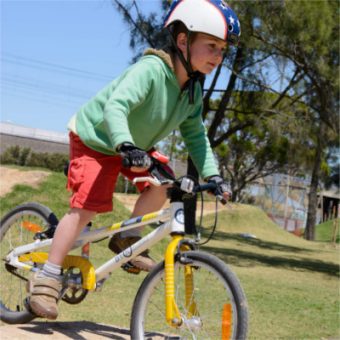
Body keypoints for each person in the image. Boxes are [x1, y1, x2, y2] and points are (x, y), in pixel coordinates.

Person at [28, 0, 241, 320]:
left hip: (133, 146)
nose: (218, 56)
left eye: (222, 50)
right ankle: (47, 276)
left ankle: (126, 240)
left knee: (167, 187)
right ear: (183, 41)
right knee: (87, 206)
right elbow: (116, 108)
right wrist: (125, 144)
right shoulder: (152, 71)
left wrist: (215, 177)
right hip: (98, 139)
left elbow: (196, 137)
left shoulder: (193, 91)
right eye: (211, 46)